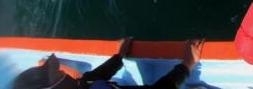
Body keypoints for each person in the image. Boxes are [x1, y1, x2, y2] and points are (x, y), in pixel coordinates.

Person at [12, 38, 204, 89]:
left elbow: (94, 77)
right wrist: (188, 63)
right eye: (57, 74)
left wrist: (119, 56)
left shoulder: (80, 86)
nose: (62, 72)